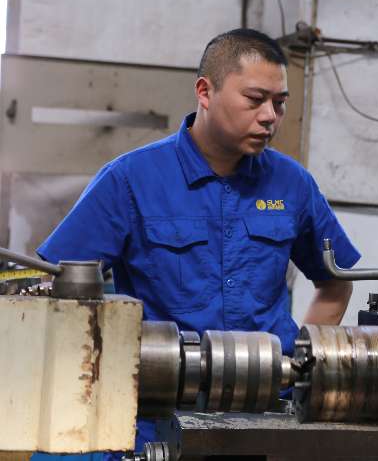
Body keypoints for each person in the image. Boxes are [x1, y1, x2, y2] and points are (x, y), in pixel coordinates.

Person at [37, 28, 360, 452]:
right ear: (205, 92)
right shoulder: (130, 180)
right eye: (255, 99)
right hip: (153, 419)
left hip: (265, 416)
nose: (270, 116)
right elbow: (57, 292)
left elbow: (335, 282)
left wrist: (300, 364)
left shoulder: (292, 184)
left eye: (280, 103)